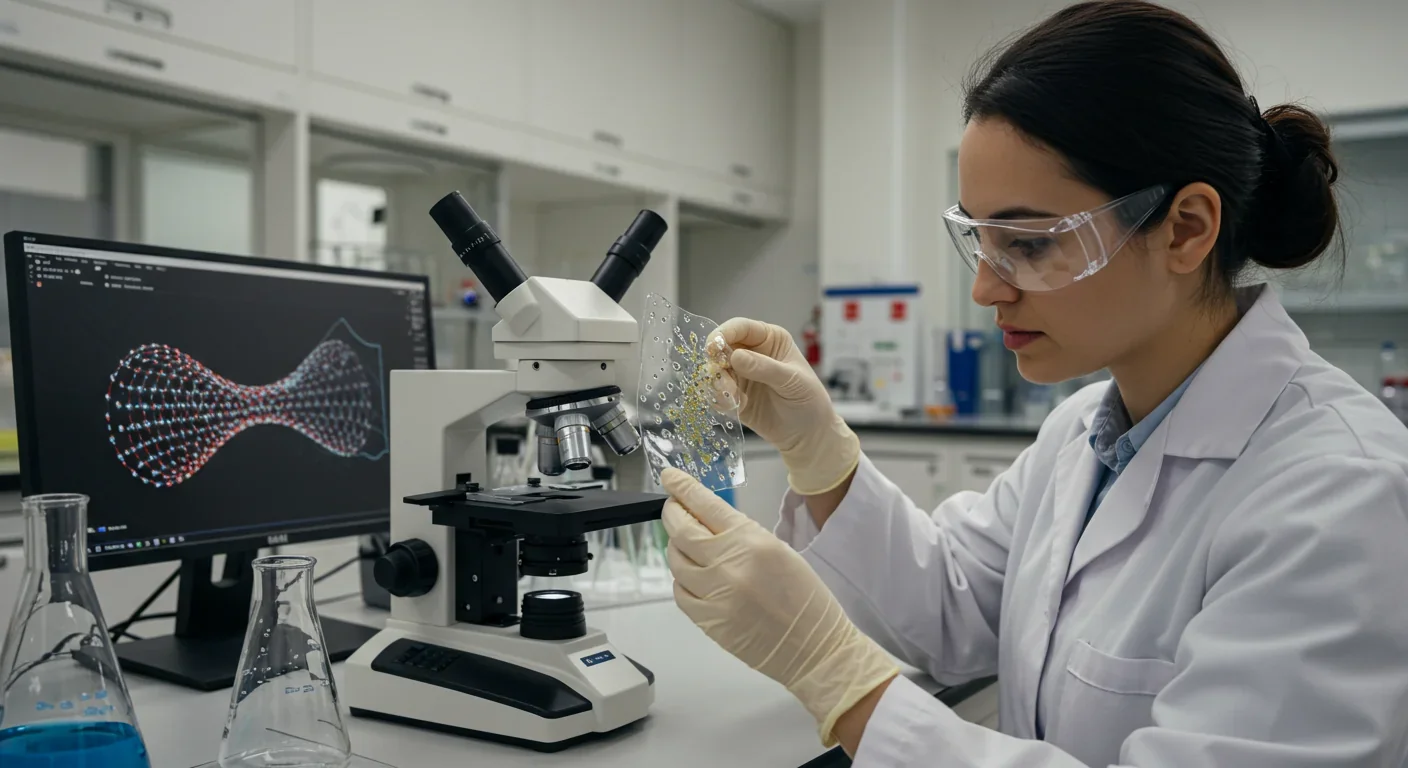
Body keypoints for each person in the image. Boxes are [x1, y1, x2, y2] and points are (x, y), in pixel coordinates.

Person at [659, 2, 1408, 766]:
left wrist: (837, 680)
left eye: (1030, 244)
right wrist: (822, 456)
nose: (987, 289)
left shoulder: (1338, 496)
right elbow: (951, 606)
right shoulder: (1086, 432)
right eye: (980, 241)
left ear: (1185, 228)